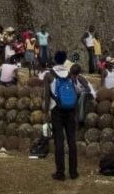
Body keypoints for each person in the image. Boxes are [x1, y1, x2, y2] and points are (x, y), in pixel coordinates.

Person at [43, 50, 88, 181]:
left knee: (59, 142)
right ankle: (73, 172)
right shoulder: (70, 74)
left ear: (54, 60)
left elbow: (46, 96)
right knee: (71, 141)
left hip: (56, 109)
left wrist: (46, 113)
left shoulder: (49, 75)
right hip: (70, 109)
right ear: (64, 61)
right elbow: (76, 91)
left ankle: (60, 173)